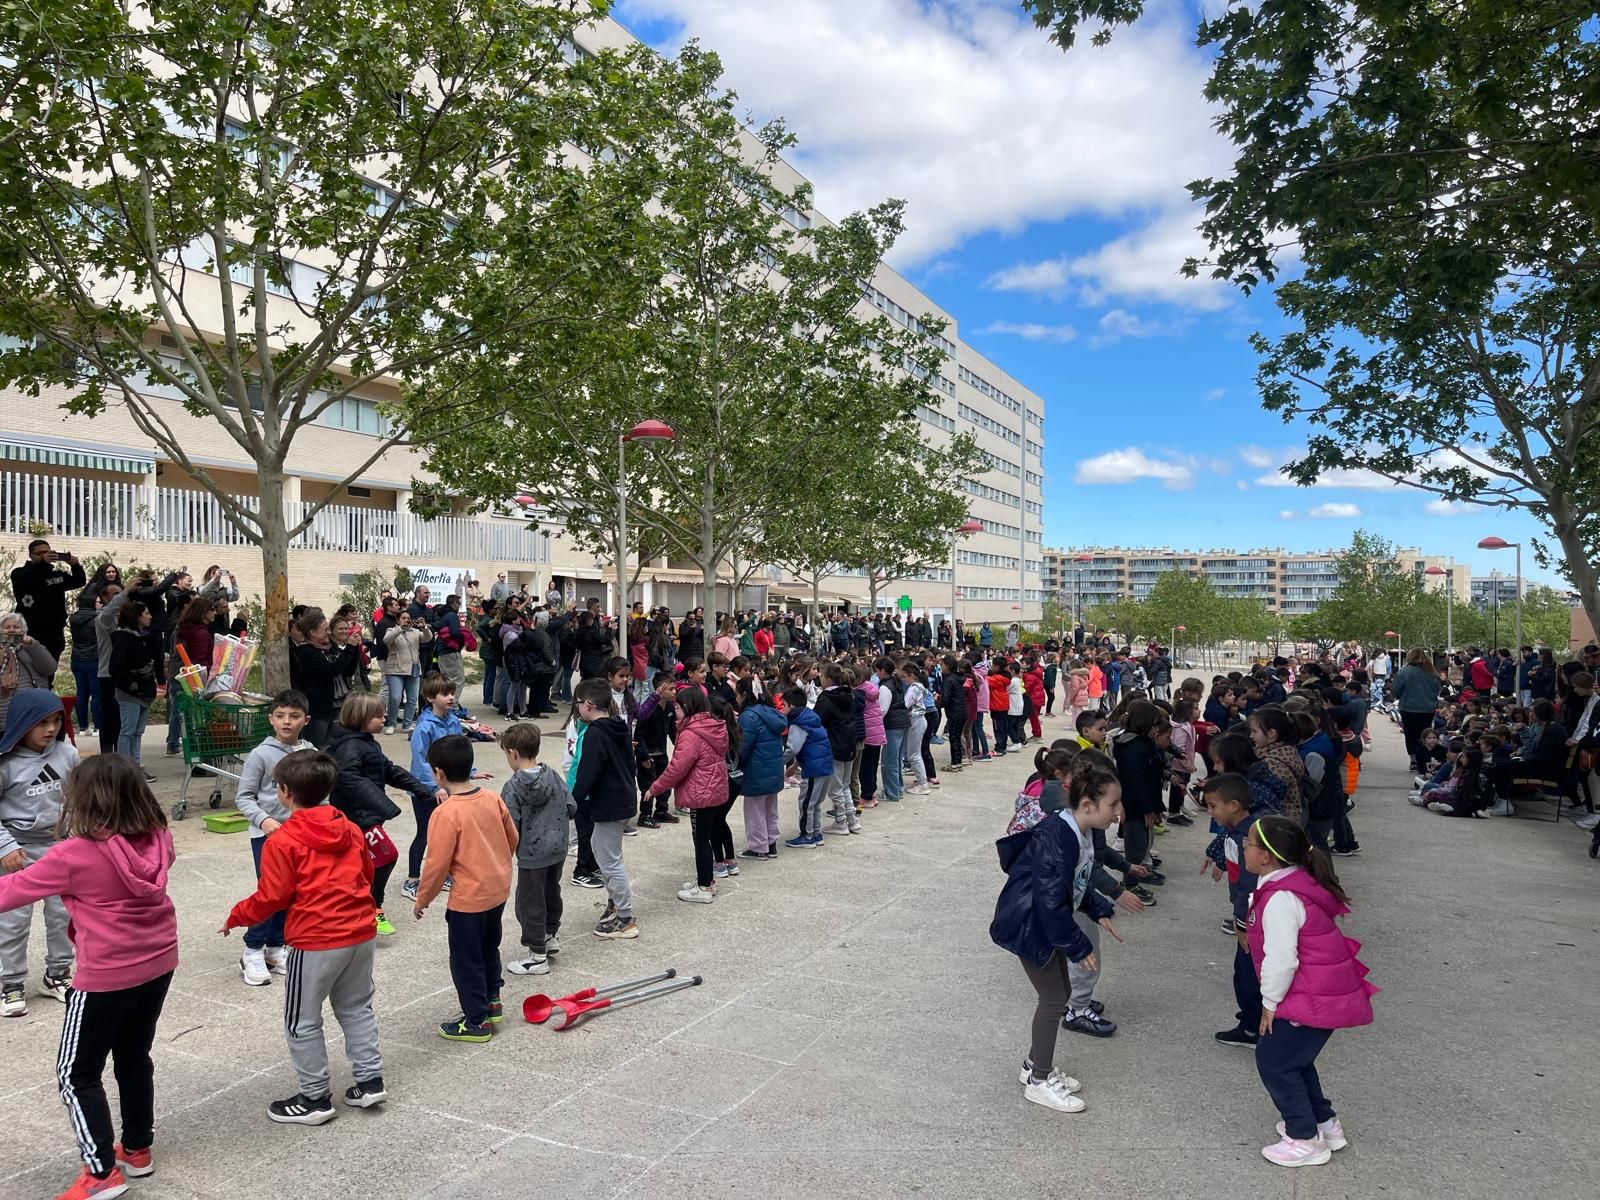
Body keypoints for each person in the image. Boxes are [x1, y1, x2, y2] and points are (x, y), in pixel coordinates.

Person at [0, 753, 174, 1199]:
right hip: (157, 963)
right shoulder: (159, 837)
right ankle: (136, 1149)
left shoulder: (74, 855)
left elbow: (11, 892)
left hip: (104, 975)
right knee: (133, 1056)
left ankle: (100, 1174)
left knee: (75, 1072)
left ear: (85, 800)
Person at [223, 750, 386, 1123]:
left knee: (302, 1018)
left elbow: (272, 897)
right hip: (360, 931)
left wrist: (237, 916)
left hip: (316, 939)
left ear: (283, 792)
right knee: (357, 1007)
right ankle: (369, 1081)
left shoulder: (282, 841)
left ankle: (314, 1098)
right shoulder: (348, 827)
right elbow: (365, 871)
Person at [989, 761, 1123, 1114]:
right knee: (1053, 1000)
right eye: (1113, 805)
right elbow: (1050, 901)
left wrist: (1099, 908)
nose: (1118, 812)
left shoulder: (1076, 832)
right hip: (1031, 925)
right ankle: (1039, 1081)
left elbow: (1075, 883)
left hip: (1043, 924)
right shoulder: (1058, 835)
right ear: (1088, 806)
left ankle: (1035, 1065)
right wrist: (1078, 945)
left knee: (1059, 995)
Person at [1245, 815, 1377, 1167]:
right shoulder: (1294, 884)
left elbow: (1282, 960)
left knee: (1274, 1063)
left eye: (1248, 844)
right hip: (1318, 995)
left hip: (1307, 998)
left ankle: (1305, 1138)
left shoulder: (1281, 899)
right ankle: (1325, 1124)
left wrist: (1269, 1002)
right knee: (1296, 1061)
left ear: (1266, 857)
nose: (1244, 848)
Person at [412, 735, 517, 1041]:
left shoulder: (446, 813)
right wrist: (497, 864)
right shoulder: (491, 797)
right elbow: (512, 837)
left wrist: (423, 899)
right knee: (488, 947)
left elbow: (436, 865)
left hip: (468, 899)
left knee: (465, 958)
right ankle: (492, 1000)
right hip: (497, 889)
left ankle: (476, 1020)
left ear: (438, 773)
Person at [0, 688, 80, 1017]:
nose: (50, 728)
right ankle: (11, 983)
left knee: (64, 916)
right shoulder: (5, 764)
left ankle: (58, 975)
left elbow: (77, 798)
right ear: (22, 724)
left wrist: (79, 835)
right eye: (41, 722)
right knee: (13, 922)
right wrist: (5, 846)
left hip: (60, 847)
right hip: (17, 852)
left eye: (56, 720)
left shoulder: (67, 754)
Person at [325, 691, 432, 937]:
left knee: (360, 864)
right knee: (386, 855)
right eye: (377, 715)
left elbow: (389, 770)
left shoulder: (366, 742)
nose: (384, 718)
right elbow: (349, 779)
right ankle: (373, 907)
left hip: (368, 816)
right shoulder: (350, 746)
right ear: (360, 717)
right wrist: (384, 804)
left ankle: (357, 907)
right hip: (357, 818)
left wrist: (422, 790)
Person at [233, 690, 317, 986]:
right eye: (280, 716)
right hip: (266, 835)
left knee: (292, 892)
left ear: (305, 720)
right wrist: (265, 820)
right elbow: (243, 797)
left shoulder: (310, 753)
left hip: (300, 836)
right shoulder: (260, 754)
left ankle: (275, 947)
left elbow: (320, 796)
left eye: (294, 716)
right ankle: (251, 949)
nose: (286, 722)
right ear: (270, 719)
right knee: (272, 892)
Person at [1204, 773, 1278, 1050]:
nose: (1210, 811)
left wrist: (1241, 922)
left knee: (1247, 974)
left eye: (1213, 806)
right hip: (1263, 914)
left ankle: (1251, 1028)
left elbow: (1248, 885)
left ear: (1234, 805)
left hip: (1254, 917)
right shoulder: (1256, 826)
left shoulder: (1245, 839)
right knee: (1255, 971)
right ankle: (1258, 1019)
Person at [644, 686, 734, 902]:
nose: (673, 710)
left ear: (686, 707)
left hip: (701, 792)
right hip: (713, 789)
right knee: (704, 836)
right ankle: (707, 880)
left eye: (676, 706)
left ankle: (704, 887)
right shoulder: (712, 725)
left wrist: (655, 788)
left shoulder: (691, 733)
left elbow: (677, 768)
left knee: (701, 839)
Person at [569, 678, 641, 938]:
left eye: (578, 703)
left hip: (609, 803)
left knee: (610, 862)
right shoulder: (617, 727)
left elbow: (587, 773)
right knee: (604, 854)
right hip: (623, 798)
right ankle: (615, 904)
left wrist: (572, 801)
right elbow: (630, 764)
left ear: (588, 705)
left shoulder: (595, 734)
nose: (576, 708)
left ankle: (625, 918)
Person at [499, 722, 573, 976]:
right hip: (557, 847)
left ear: (513, 753)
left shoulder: (512, 787)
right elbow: (570, 804)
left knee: (530, 901)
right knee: (552, 891)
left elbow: (510, 825)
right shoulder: (551, 774)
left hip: (532, 852)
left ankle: (537, 955)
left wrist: (505, 853)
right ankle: (550, 934)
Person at [401, 673, 463, 903]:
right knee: (425, 833)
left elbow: (459, 751)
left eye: (452, 693)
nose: (451, 697)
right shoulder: (424, 727)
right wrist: (433, 787)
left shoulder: (454, 721)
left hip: (448, 788)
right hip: (426, 790)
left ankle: (445, 874)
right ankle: (412, 879)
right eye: (445, 694)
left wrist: (469, 773)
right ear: (429, 697)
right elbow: (420, 761)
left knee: (446, 835)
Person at [9, 539, 86, 664]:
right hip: (30, 631)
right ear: (31, 556)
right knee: (28, 669)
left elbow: (79, 581)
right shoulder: (20, 573)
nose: (45, 555)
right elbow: (29, 578)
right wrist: (43, 563)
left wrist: (75, 565)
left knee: (49, 670)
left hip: (54, 633)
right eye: (40, 553)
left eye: (47, 552)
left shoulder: (56, 575)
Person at [737, 679, 785, 857]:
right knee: (770, 810)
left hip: (755, 772)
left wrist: (736, 763)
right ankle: (771, 843)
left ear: (744, 695)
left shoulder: (748, 716)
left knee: (754, 812)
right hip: (772, 771)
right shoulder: (771, 713)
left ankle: (758, 847)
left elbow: (743, 747)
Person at [109, 601, 159, 771]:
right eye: (146, 613)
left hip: (145, 691)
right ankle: (124, 769)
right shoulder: (122, 638)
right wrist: (131, 684)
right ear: (137, 616)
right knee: (128, 731)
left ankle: (136, 766)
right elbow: (116, 667)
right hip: (130, 692)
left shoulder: (144, 637)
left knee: (138, 732)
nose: (150, 616)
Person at [783, 685, 834, 847]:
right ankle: (816, 833)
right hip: (824, 764)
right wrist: (796, 764)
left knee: (806, 802)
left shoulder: (798, 723)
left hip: (814, 768)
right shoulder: (810, 717)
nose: (782, 709)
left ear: (790, 705)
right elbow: (809, 745)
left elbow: (792, 748)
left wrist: (777, 762)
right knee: (815, 802)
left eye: (783, 705)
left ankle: (806, 835)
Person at [0, 611, 59, 732]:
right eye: (7, 627)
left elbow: (50, 669)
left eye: (16, 627)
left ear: (24, 630)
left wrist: (32, 645)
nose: (12, 630)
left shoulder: (32, 647)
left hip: (33, 712)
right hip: (4, 714)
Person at [380, 606, 432, 734]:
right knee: (395, 697)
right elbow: (386, 640)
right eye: (403, 618)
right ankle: (391, 723)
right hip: (395, 669)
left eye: (408, 618)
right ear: (397, 620)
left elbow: (428, 638)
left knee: (412, 698)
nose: (407, 620)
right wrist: (400, 628)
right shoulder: (392, 630)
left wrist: (424, 627)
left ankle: (407, 724)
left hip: (413, 668)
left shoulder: (414, 632)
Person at [1391, 648, 1442, 771]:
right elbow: (1437, 689)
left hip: (1408, 707)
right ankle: (1424, 758)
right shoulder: (1432, 672)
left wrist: (1401, 697)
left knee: (1410, 734)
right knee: (1424, 733)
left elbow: (1396, 690)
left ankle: (1413, 759)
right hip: (1427, 708)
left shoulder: (1405, 671)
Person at [874, 658, 909, 800]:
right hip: (903, 722)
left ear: (882, 671)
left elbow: (882, 710)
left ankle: (892, 792)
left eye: (876, 671)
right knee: (897, 759)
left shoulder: (884, 687)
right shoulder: (896, 683)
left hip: (893, 726)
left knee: (889, 761)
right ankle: (898, 788)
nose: (876, 674)